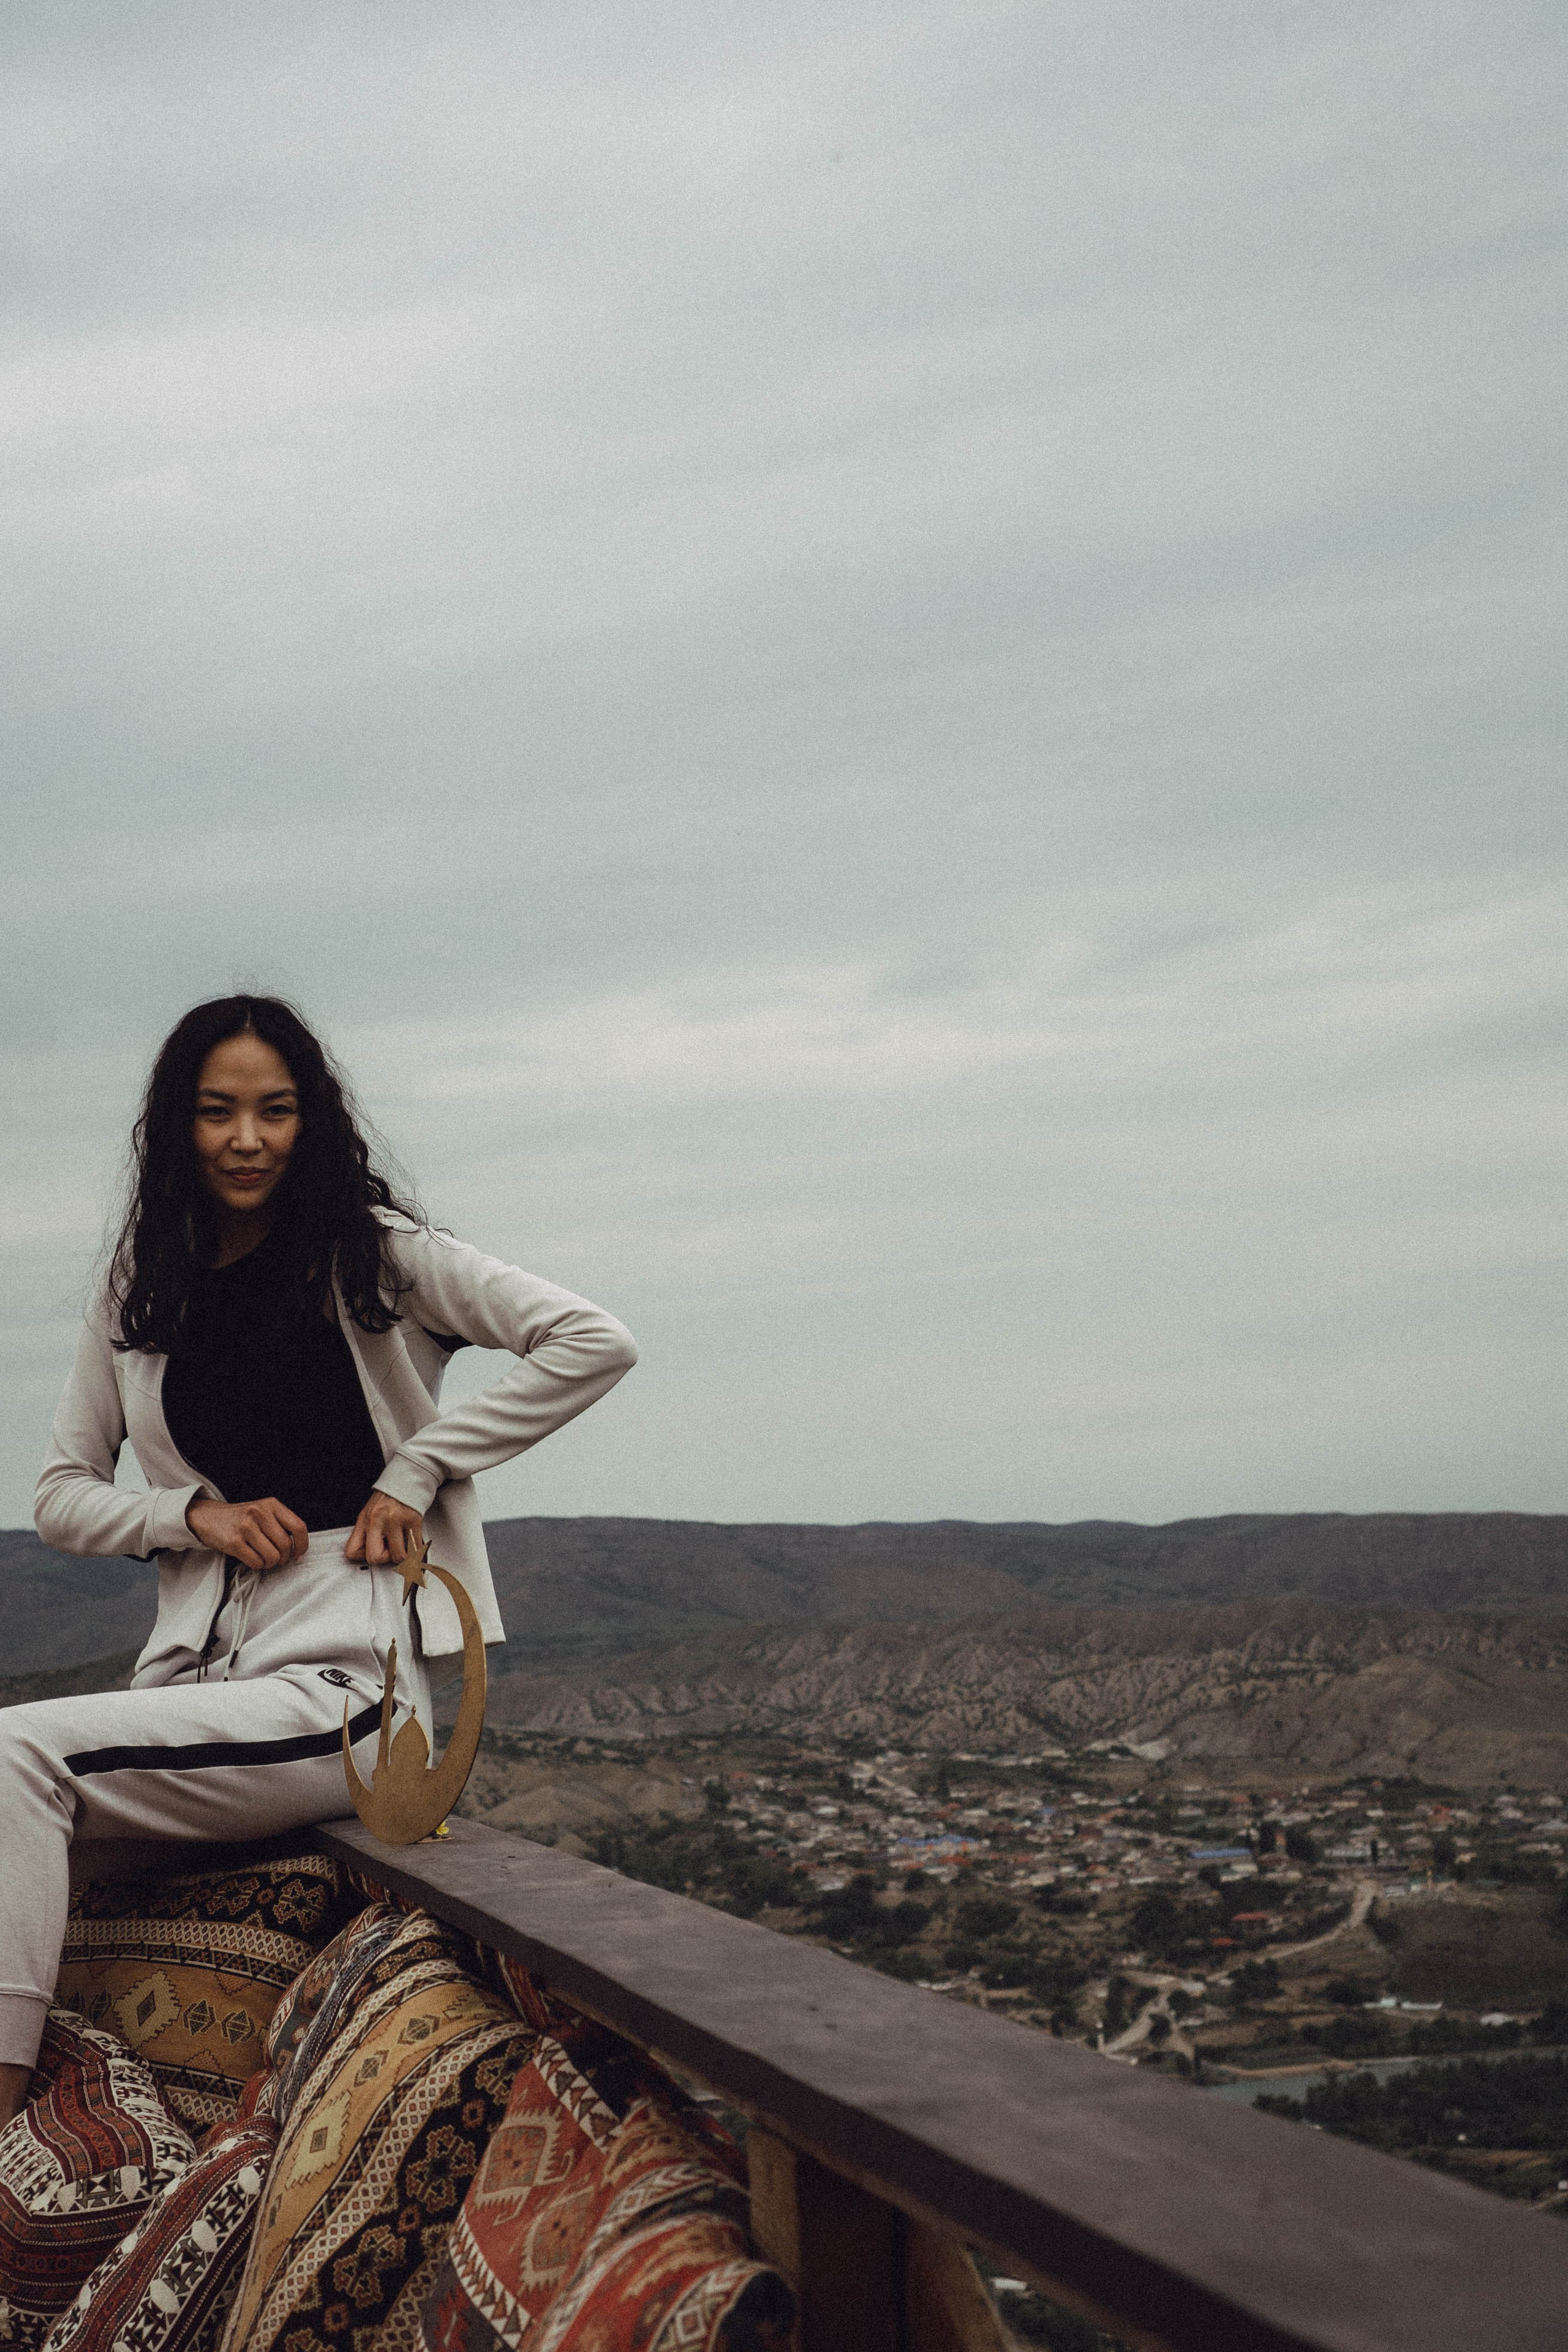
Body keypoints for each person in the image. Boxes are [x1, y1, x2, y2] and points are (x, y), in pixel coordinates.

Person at [12, 994, 637, 2125]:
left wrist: (419, 1469)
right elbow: (60, 1497)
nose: (246, 1139)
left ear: (312, 1121)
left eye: (274, 1111)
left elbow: (593, 1339)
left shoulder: (378, 1259)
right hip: (197, 1691)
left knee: (15, 1754)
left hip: (349, 1688)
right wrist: (188, 1516)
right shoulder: (140, 1284)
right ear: (176, 1128)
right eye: (217, 1113)